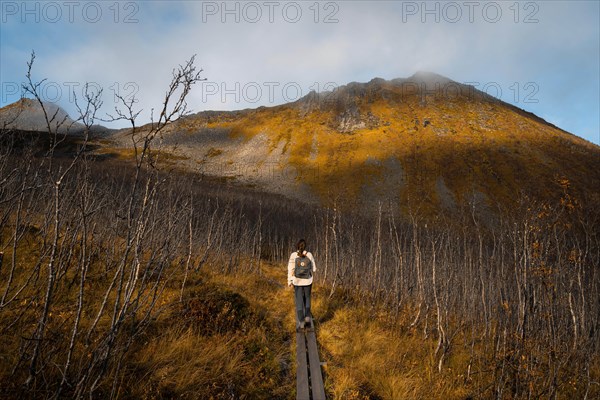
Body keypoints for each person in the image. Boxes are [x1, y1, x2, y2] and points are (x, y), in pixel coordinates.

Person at [288, 239, 316, 330]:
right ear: (305, 246)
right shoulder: (309, 254)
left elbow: (290, 269)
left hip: (297, 281)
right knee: (307, 298)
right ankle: (308, 317)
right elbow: (314, 269)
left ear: (297, 246)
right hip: (308, 281)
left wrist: (290, 281)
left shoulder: (293, 255)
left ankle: (301, 322)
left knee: (299, 300)